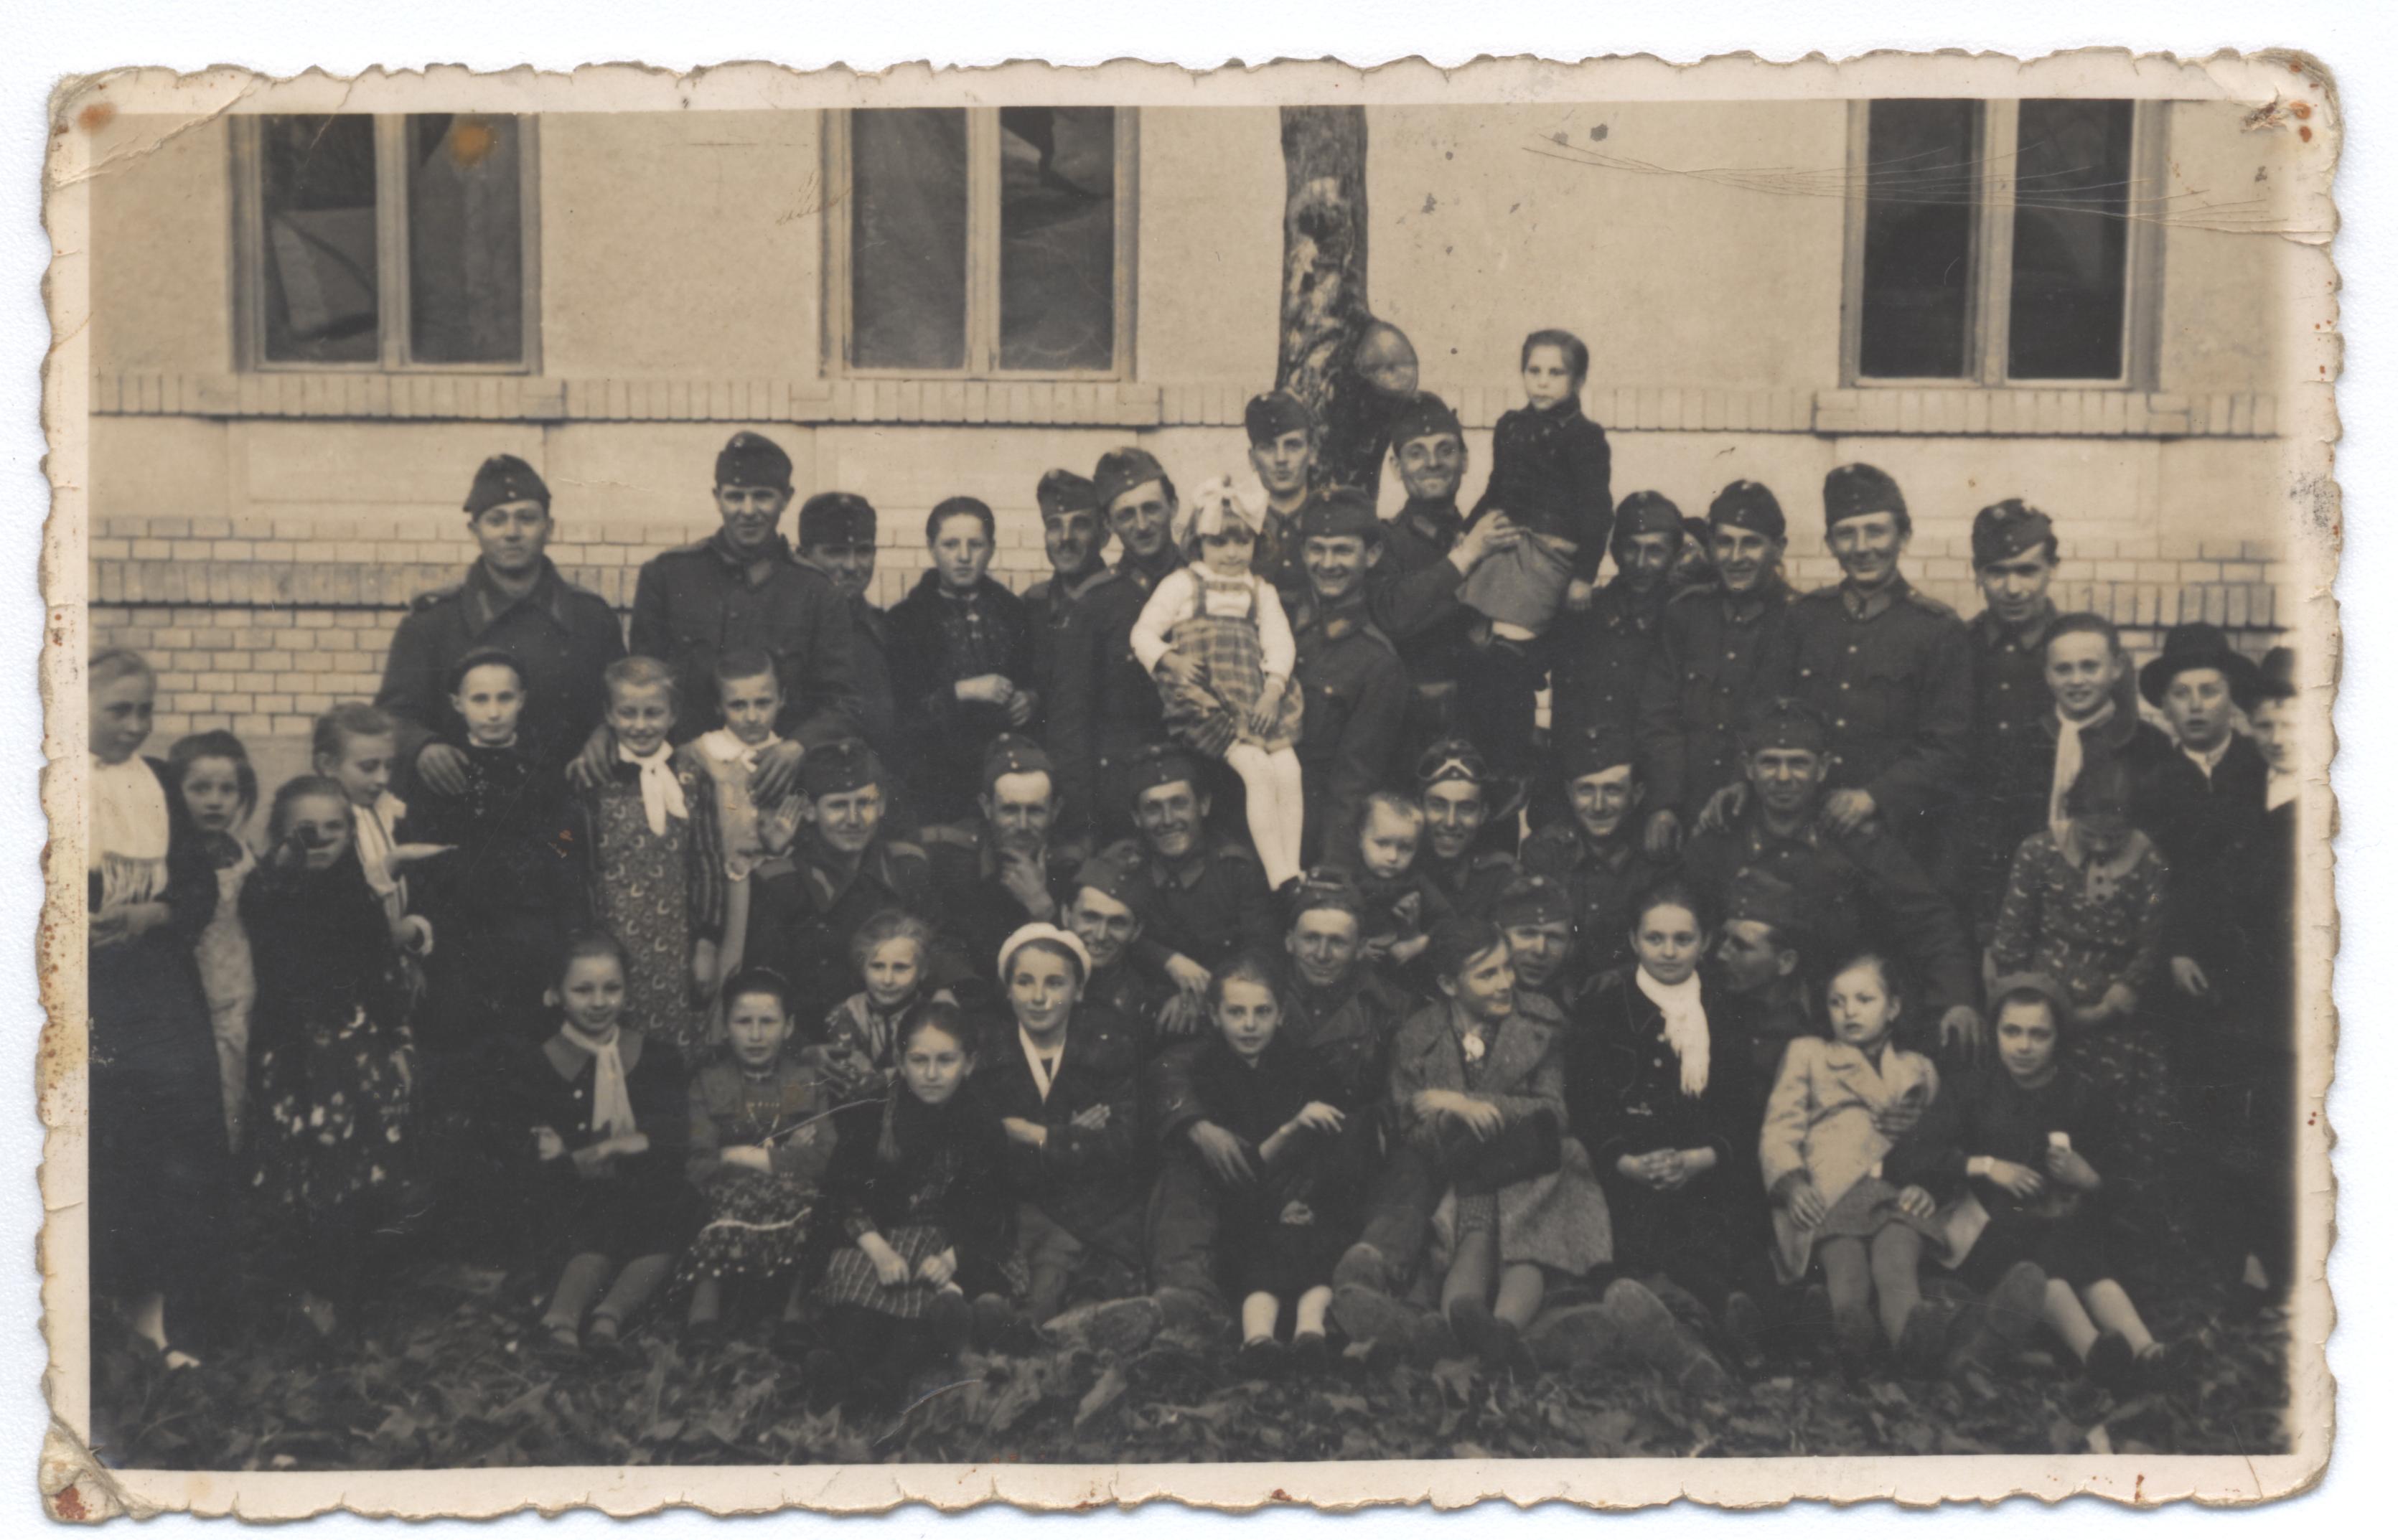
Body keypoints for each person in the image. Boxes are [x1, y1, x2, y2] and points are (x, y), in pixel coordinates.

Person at [1890, 976, 2161, 1389]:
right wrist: (1985, 1166)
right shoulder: (1974, 1087)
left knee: (2079, 1257)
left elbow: (2123, 1181)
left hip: (2064, 1230)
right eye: (2011, 1031)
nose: (2023, 1046)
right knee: (2044, 1259)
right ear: (1995, 1031)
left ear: (2059, 1037)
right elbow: (1916, 1153)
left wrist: (2089, 1177)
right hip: (1989, 1235)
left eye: (2039, 1034)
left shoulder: (2080, 1094)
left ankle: (2148, 1352)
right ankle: (2094, 1352)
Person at [1681, 698, 1984, 1059]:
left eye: (1798, 763)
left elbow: (1927, 918)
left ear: (1823, 768)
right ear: (1748, 767)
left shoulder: (1856, 841)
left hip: (1832, 1019)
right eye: (1769, 762)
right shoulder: (1720, 839)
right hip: (1735, 1018)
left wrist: (1956, 999)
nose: (1783, 777)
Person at [85, 649, 233, 1368]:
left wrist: (153, 915)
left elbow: (199, 887)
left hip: (159, 991)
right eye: (119, 709)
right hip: (76, 993)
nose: (136, 725)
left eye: (146, 710)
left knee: (177, 1150)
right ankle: (96, 1317)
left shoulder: (160, 782)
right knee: (100, 1151)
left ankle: (168, 1321)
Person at [242, 774, 421, 1347]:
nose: (320, 840)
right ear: (280, 834)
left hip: (355, 1054)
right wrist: (283, 864)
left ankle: (351, 1291)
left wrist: (396, 1041)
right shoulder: (268, 891)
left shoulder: (357, 892)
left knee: (358, 1170)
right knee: (302, 1174)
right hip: (294, 1056)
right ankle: (306, 1292)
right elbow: (266, 926)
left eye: (334, 829)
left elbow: (380, 973)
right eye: (304, 830)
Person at [2137, 623, 2284, 1302]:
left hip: (2257, 977)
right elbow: (2155, 883)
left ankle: (2264, 1254)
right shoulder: (2151, 782)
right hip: (2180, 975)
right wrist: (2171, 950)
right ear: (2164, 707)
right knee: (2197, 1109)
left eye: (2209, 691)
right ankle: (2213, 1256)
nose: (2195, 706)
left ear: (2231, 700)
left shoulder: (2262, 773)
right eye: (2181, 694)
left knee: (2260, 1112)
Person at [1391, 918, 1612, 1369]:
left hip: (1530, 1164)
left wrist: (1462, 1102)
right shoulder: (1417, 1036)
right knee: (1474, 1227)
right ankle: (1462, 1329)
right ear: (1449, 985)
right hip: (1461, 1170)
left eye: (1507, 968)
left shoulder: (1540, 1024)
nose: (1506, 982)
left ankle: (1502, 1333)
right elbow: (1410, 1121)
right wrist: (1452, 1119)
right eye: (1487, 974)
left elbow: (1553, 1112)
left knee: (1526, 1231)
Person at [1566, 878, 1769, 1372]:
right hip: (1627, 1166)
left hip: (1702, 1166)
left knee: (1719, 1238)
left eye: (1683, 939)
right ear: (1634, 940)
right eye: (1655, 939)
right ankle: (1699, 1330)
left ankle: (1742, 1327)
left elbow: (1741, 1105)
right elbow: (1588, 1100)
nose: (1669, 952)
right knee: (1641, 1243)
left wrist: (1701, 1157)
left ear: (1704, 942)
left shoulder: (1724, 1009)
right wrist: (1625, 1160)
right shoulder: (1605, 1004)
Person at [805, 1003, 1024, 1414]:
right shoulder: (874, 1112)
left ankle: (888, 1380)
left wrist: (953, 1258)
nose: (932, 1074)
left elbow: (992, 1207)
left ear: (969, 1063)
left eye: (946, 1061)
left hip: (952, 1241)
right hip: (881, 1235)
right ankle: (840, 1367)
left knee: (932, 1299)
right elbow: (844, 1190)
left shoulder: (981, 1121)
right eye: (919, 1061)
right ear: (901, 1062)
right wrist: (878, 1250)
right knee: (860, 1283)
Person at [1988, 753, 2175, 1219]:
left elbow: (2150, 949)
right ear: (2073, 815)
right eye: (2091, 834)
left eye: (2114, 837)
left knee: (2115, 1123)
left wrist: (2105, 1009)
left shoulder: (2150, 863)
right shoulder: (2037, 852)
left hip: (2113, 1022)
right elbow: (2011, 937)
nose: (2101, 846)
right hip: (2041, 1013)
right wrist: (2036, 1006)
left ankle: (2103, 1218)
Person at [378, 454, 624, 792]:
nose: (512, 533)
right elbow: (393, 718)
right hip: (464, 804)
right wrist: (423, 747)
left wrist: (607, 731)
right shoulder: (432, 624)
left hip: (567, 801)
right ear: (474, 531)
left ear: (550, 528)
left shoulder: (591, 618)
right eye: (497, 520)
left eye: (527, 518)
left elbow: (623, 701)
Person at [625, 431, 860, 779]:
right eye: (735, 497)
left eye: (762, 496)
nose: (748, 511)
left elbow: (842, 702)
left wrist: (798, 746)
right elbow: (639, 685)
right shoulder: (667, 576)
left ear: (786, 498)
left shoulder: (817, 591)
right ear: (717, 498)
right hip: (682, 777)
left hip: (779, 782)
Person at [512, 933, 699, 1361]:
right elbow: (536, 1157)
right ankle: (560, 1320)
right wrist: (593, 1154)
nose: (599, 1002)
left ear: (627, 992)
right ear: (556, 994)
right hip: (572, 1202)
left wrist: (625, 1145)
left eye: (611, 988)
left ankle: (609, 1318)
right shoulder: (539, 1064)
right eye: (583, 990)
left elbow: (673, 1137)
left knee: (679, 1206)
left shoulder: (655, 1057)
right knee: (600, 1209)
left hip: (643, 1195)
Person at [1758, 950, 1946, 1372]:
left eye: (1865, 1000)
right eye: (1836, 1002)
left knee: (1896, 1261)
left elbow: (1938, 1145)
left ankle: (1911, 1348)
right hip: (1831, 1191)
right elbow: (1779, 1129)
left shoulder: (1918, 1069)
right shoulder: (1809, 1054)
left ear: (1893, 1008)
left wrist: (1927, 1180)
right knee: (1846, 1266)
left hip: (1896, 1191)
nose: (1849, 1012)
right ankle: (1851, 1341)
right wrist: (1793, 1184)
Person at [1781, 463, 1974, 858]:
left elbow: (1947, 745)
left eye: (1876, 531)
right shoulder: (1804, 618)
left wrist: (1875, 796)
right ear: (1830, 543)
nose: (1862, 547)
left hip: (1897, 834)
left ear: (1904, 536)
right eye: (1846, 534)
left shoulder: (1938, 629)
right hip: (1806, 827)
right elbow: (1776, 715)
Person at [1130, 476, 1310, 891]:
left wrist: (1273, 690)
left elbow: (1279, 643)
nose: (1232, 553)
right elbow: (1142, 634)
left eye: (1242, 542)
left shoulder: (1260, 591)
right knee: (1258, 771)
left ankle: (1293, 866)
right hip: (1206, 702)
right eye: (1219, 542)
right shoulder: (1182, 584)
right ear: (1198, 544)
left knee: (1289, 769)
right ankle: (1279, 874)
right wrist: (1171, 660)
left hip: (1254, 700)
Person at [1186, 955, 1363, 1376]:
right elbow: (1233, 1171)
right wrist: (1291, 1128)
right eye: (1236, 1013)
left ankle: (1310, 1334)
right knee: (1256, 1254)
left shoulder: (1306, 1067)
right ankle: (1258, 1341)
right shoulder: (1205, 1075)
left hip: (1304, 1200)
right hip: (1244, 1206)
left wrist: (1304, 1199)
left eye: (1263, 1012)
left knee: (1319, 1246)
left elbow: (1335, 1151)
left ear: (1281, 1014)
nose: (1250, 1025)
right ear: (1214, 1015)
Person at [402, 647, 584, 1056]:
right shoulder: (444, 771)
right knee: (463, 1044)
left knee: (528, 1041)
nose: (494, 712)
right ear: (458, 704)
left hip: (530, 932)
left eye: (505, 698)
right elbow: (424, 864)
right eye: (480, 699)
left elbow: (565, 845)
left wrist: (563, 927)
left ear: (522, 700)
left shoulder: (543, 770)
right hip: (460, 938)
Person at [976, 924, 1150, 1330]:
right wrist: (1076, 1136)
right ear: (1008, 990)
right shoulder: (985, 1053)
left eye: (1055, 983)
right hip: (1017, 1207)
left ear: (1079, 990)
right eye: (1025, 982)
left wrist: (1037, 1134)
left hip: (1095, 1212)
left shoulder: (1110, 1048)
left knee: (1079, 1283)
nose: (1039, 998)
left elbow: (1125, 1145)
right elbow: (981, 1144)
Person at [568, 657, 726, 1055]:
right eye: (628, 713)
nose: (640, 725)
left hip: (676, 945)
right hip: (610, 941)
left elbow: (707, 861)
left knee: (671, 1051)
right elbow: (567, 848)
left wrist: (707, 943)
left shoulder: (693, 776)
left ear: (673, 714)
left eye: (653, 713)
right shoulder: (592, 778)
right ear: (609, 715)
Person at [680, 966, 840, 1349]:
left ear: (788, 1027)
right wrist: (783, 1156)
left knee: (818, 1204)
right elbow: (698, 1162)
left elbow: (826, 1156)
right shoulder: (708, 1081)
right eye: (743, 1022)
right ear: (725, 1027)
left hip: (792, 1194)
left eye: (768, 1022)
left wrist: (746, 1156)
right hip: (727, 1193)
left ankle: (795, 1311)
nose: (755, 1035)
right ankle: (704, 1313)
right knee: (710, 1203)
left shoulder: (805, 1080)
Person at [750, 738, 955, 1032]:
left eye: (864, 803)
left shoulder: (907, 867)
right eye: (838, 806)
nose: (854, 819)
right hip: (816, 1043)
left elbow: (940, 943)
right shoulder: (783, 885)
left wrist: (944, 989)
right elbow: (767, 990)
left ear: (882, 805)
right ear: (809, 810)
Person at [1638, 480, 1799, 853]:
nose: (1736, 556)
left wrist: (1744, 781)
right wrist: (1664, 804)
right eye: (1725, 542)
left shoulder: (1800, 622)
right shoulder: (1685, 614)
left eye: (1751, 543)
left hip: (1765, 812)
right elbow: (1659, 716)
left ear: (1779, 548)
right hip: (1687, 810)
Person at [1942, 501, 2064, 931]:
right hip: (1966, 849)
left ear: (2053, 569)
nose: (2013, 588)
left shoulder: (2080, 650)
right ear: (1977, 573)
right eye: (1996, 572)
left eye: (2027, 571)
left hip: (2054, 843)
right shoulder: (1956, 646)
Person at [886, 496, 1040, 825]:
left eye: (976, 544)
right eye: (950, 544)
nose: (964, 556)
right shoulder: (905, 621)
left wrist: (1029, 699)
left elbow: (1034, 678)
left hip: (1008, 779)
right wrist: (963, 691)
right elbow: (903, 714)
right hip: (936, 784)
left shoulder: (1013, 613)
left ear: (992, 549)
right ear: (931, 548)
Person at [1458, 329, 1614, 647]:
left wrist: (1584, 577)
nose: (1542, 382)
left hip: (1549, 553)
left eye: (1556, 373)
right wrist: (1467, 529)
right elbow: (1496, 488)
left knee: (1514, 636)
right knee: (1471, 628)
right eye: (1534, 371)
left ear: (1579, 380)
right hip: (1505, 541)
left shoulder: (1584, 436)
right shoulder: (1510, 426)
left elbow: (1596, 511)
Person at [1537, 492, 1684, 828]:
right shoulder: (1581, 614)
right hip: (1580, 797)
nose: (1641, 563)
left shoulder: (1684, 621)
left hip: (1654, 800)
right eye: (1631, 548)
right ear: (1615, 551)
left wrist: (1666, 802)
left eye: (1655, 551)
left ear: (1675, 554)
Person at [1289, 487, 1412, 864]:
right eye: (1317, 549)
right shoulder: (1274, 620)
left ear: (1371, 555)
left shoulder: (1377, 663)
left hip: (1307, 842)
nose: (1327, 563)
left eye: (1342, 550)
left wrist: (1331, 871)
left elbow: (1352, 787)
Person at [679, 652, 809, 997]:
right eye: (738, 705)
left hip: (774, 894)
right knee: (720, 982)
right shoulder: (699, 755)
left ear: (782, 699)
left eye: (763, 703)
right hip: (717, 895)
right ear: (718, 706)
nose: (752, 716)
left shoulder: (789, 757)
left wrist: (781, 843)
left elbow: (801, 817)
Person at [1120, 745, 1280, 1009]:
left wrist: (1204, 997)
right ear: (1137, 818)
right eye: (1153, 809)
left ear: (1203, 805)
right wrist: (1167, 961)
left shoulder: (1236, 869)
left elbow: (1262, 953)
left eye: (1179, 804)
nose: (1168, 820)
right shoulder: (1126, 867)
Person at [1519, 725, 1675, 990]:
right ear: (1569, 793)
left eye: (1612, 790)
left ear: (1637, 794)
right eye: (1586, 790)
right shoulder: (1544, 852)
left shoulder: (1655, 859)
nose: (1598, 805)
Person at [1083, 447, 1186, 837]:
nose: (1142, 525)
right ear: (1109, 524)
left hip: (1200, 785)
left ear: (1174, 507)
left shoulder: (1210, 582)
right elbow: (1073, 721)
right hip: (1123, 796)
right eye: (1126, 514)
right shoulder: (1096, 602)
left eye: (1152, 509)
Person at [922, 736, 1082, 978]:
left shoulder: (1069, 866)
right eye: (1010, 810)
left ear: (1055, 810)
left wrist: (1042, 909)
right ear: (987, 807)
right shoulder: (950, 857)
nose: (1022, 825)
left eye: (1035, 811)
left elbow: (1076, 967)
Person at [168, 730, 259, 1150]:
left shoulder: (243, 852)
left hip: (238, 984)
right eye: (200, 789)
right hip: (188, 990)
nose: (215, 801)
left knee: (235, 1080)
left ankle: (233, 1163)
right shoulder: (171, 855)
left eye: (227, 790)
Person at [1026, 468, 1123, 844]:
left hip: (1106, 789)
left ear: (1104, 532)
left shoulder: (1123, 601)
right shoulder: (1030, 606)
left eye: (1080, 525)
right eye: (1054, 526)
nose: (1065, 539)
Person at [312, 703, 439, 967]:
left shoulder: (390, 812)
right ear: (328, 765)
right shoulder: (322, 825)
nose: (382, 778)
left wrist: (412, 941)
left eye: (389, 766)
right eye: (369, 767)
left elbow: (415, 891)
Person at [793, 492, 899, 770]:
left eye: (863, 551)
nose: (852, 566)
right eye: (836, 552)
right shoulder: (789, 629)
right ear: (803, 557)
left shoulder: (885, 629)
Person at [810, 909, 955, 1105]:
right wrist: (902, 1072)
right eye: (877, 966)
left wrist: (884, 1076)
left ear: (923, 971)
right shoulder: (846, 1014)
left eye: (900, 967)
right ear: (863, 968)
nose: (887, 980)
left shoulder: (932, 1016)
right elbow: (855, 1085)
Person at [1710, 867, 1818, 1097]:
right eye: (1723, 939)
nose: (1721, 954)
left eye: (1741, 946)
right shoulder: (1707, 1003)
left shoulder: (1815, 1025)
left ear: (1786, 962)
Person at [1063, 853, 1174, 1043]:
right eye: (1090, 918)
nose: (1100, 935)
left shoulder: (1150, 1001)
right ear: (1066, 916)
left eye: (1117, 923)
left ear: (1136, 931)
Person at [1413, 738, 1522, 919]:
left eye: (1465, 808)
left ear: (1483, 814)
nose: (1450, 822)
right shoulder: (1397, 869)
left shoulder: (1500, 880)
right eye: (1438, 806)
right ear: (1420, 808)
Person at [1352, 790, 1451, 972]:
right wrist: (1355, 949)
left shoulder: (1416, 881)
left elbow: (1447, 920)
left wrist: (1417, 945)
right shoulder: (1350, 877)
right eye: (1382, 843)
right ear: (1361, 838)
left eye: (1405, 848)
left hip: (1402, 968)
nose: (1393, 857)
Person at [1244, 389, 1324, 611]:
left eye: (1292, 445)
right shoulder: (1241, 523)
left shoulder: (1333, 519)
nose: (1281, 459)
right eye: (1268, 447)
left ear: (1312, 452)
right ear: (1252, 459)